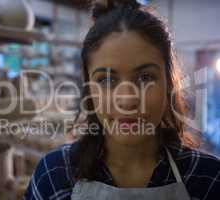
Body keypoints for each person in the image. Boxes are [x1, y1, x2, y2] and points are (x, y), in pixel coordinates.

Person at [23, 0, 220, 199]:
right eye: (106, 79)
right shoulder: (55, 175)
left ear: (169, 84)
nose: (127, 101)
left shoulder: (207, 178)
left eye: (145, 77)